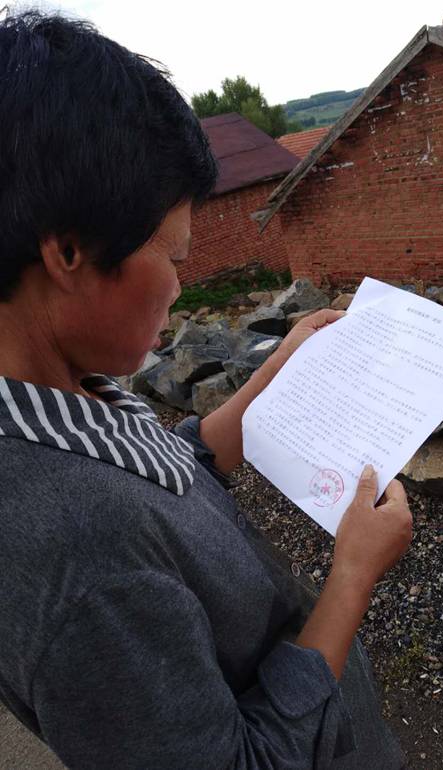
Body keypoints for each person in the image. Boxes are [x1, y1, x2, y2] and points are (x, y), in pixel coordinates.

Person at [0, 11, 413, 770]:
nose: (181, 287)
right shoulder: (81, 561)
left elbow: (163, 468)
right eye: (175, 259)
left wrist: (275, 368)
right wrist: (352, 574)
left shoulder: (56, 396)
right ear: (68, 253)